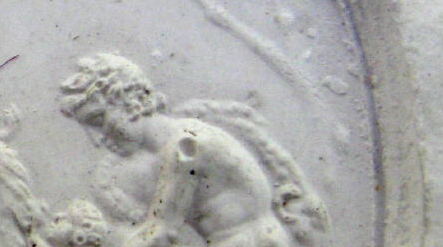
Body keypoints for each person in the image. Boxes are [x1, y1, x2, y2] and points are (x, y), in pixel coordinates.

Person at [60, 53, 293, 247]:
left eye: (98, 120)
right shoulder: (172, 148)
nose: (96, 139)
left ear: (131, 103)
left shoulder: (186, 147)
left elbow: (161, 232)